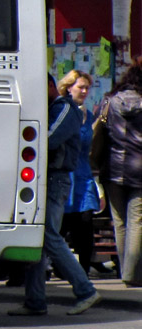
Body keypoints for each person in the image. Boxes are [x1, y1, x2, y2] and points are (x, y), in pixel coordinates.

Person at [9, 75, 101, 315]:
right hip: (47, 179)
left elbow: (48, 139)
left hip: (55, 179)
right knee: (39, 240)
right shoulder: (53, 107)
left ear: (51, 87)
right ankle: (35, 301)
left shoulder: (64, 108)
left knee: (49, 236)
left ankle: (86, 290)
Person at [96, 59, 142, 286]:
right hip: (139, 169)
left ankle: (125, 271)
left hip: (112, 168)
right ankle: (132, 275)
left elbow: (100, 129)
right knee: (137, 221)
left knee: (120, 222)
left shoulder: (108, 102)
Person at [57, 70, 104, 277]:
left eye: (87, 87)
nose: (84, 91)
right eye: (80, 87)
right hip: (65, 174)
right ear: (69, 87)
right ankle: (58, 269)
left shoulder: (89, 115)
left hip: (83, 177)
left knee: (85, 225)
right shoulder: (61, 110)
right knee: (62, 227)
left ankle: (83, 274)